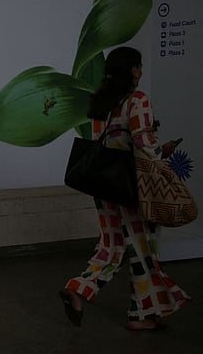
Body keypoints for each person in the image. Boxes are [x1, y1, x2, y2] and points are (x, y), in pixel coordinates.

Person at [59, 46, 190, 330]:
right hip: (132, 187)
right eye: (139, 67)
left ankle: (80, 288)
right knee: (143, 248)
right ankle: (141, 315)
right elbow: (144, 147)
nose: (141, 72)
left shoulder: (102, 103)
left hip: (103, 185)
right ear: (132, 70)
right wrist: (163, 151)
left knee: (112, 244)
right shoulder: (137, 101)